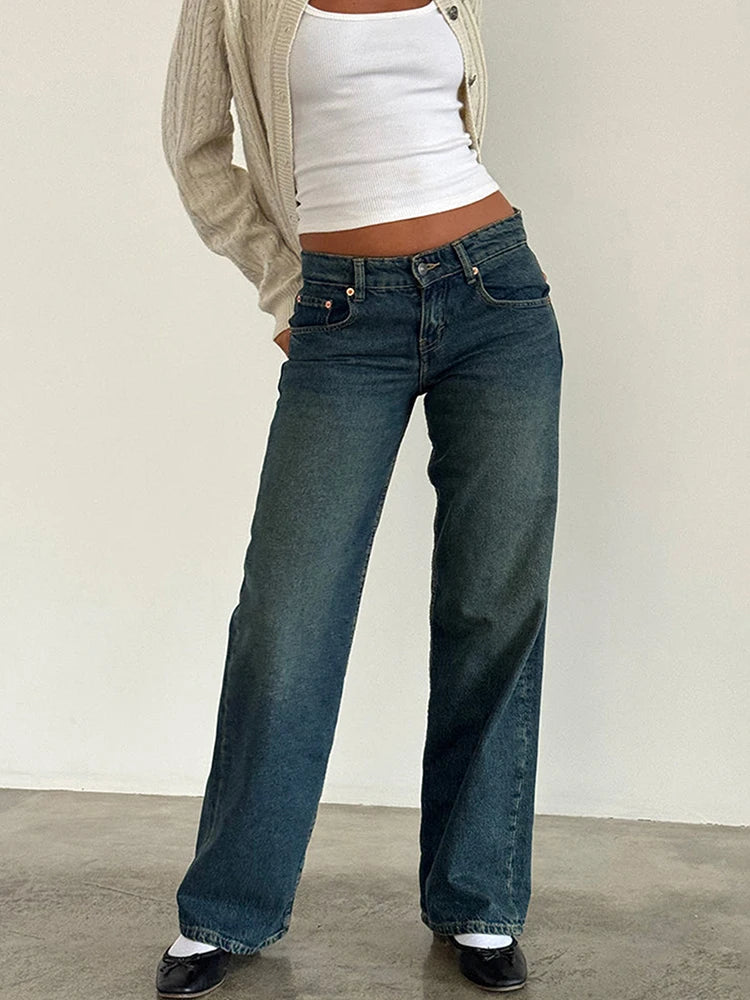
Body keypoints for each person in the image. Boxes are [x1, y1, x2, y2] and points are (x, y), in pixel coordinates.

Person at [156, 0, 563, 994]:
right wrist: (280, 283)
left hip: (495, 291)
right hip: (342, 313)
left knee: (492, 606)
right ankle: (229, 909)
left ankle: (478, 900)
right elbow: (194, 149)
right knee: (286, 619)